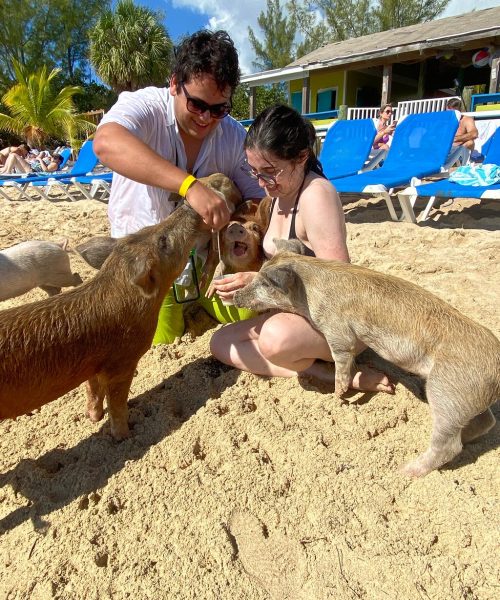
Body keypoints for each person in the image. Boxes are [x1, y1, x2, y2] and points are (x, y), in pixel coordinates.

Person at [93, 29, 263, 344]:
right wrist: (190, 186)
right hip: (148, 264)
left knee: (249, 312)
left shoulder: (232, 134)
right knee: (159, 339)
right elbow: (105, 144)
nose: (207, 118)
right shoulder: (145, 106)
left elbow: (258, 198)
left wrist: (241, 224)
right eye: (197, 105)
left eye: (219, 109)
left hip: (204, 266)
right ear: (174, 83)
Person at [210, 105, 394, 393]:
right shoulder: (279, 195)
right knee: (220, 343)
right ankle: (321, 373)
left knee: (273, 338)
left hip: (340, 323)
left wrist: (260, 283)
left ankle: (345, 369)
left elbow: (341, 282)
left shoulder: (315, 196)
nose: (261, 182)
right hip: (299, 315)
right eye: (254, 171)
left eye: (270, 172)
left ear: (301, 157)